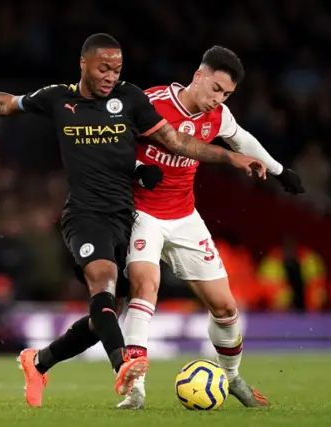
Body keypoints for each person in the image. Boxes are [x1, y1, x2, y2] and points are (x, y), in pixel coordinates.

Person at [0, 33, 266, 407]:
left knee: (106, 317)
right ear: (83, 63)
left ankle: (39, 360)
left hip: (129, 215)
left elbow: (176, 142)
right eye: (103, 68)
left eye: (116, 69)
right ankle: (125, 367)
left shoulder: (131, 98)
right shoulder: (58, 98)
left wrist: (230, 157)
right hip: (85, 215)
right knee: (105, 284)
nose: (111, 76)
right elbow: (4, 104)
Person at [117, 46, 305, 409]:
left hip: (185, 215)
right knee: (145, 286)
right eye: (216, 88)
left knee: (225, 307)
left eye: (227, 95)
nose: (217, 99)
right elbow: (114, 148)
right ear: (198, 76)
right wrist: (137, 171)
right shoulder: (150, 102)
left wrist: (280, 171)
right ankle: (135, 388)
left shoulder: (217, 116)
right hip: (142, 213)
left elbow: (242, 139)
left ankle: (231, 377)